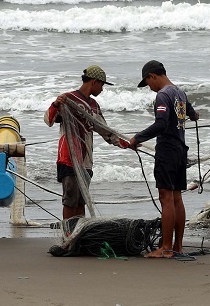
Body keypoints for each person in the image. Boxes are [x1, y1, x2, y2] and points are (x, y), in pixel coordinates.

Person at [126, 60, 199, 258]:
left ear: (152, 76)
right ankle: (178, 246)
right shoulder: (180, 93)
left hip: (167, 149)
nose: (149, 87)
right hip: (181, 150)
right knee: (176, 198)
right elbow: (193, 115)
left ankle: (165, 248)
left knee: (166, 198)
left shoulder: (163, 95)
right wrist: (193, 115)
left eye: (147, 83)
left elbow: (161, 123)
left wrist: (137, 138)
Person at [45, 65, 121, 220]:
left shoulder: (94, 105)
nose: (102, 89)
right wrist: (55, 105)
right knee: (70, 201)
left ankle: (80, 235)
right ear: (94, 82)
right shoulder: (68, 99)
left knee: (81, 201)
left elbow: (104, 130)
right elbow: (48, 119)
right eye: (102, 85)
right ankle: (69, 236)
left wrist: (127, 143)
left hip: (86, 162)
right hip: (69, 158)